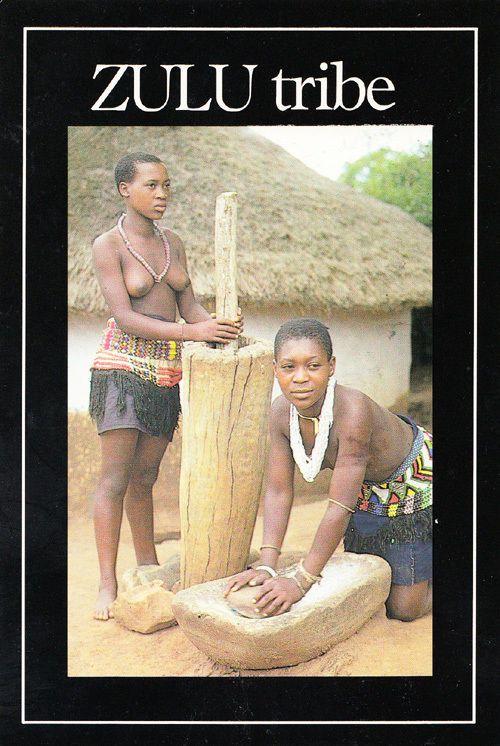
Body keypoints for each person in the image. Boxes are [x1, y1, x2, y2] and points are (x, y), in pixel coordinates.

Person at [89, 152, 242, 619]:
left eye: (166, 186)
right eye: (152, 186)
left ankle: (148, 567)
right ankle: (107, 584)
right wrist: (192, 333)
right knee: (115, 478)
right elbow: (126, 317)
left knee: (145, 476)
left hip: (166, 370)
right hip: (120, 365)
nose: (162, 195)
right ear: (124, 189)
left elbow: (189, 306)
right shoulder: (107, 245)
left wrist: (218, 325)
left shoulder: (173, 242)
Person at [224, 318, 432, 622]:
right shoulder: (280, 413)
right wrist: (267, 565)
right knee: (371, 587)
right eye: (288, 367)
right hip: (364, 491)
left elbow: (338, 508)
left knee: (403, 609)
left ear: (331, 366)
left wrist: (301, 581)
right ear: (274, 369)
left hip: (414, 483)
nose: (300, 378)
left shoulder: (353, 412)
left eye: (313, 366)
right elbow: (279, 490)